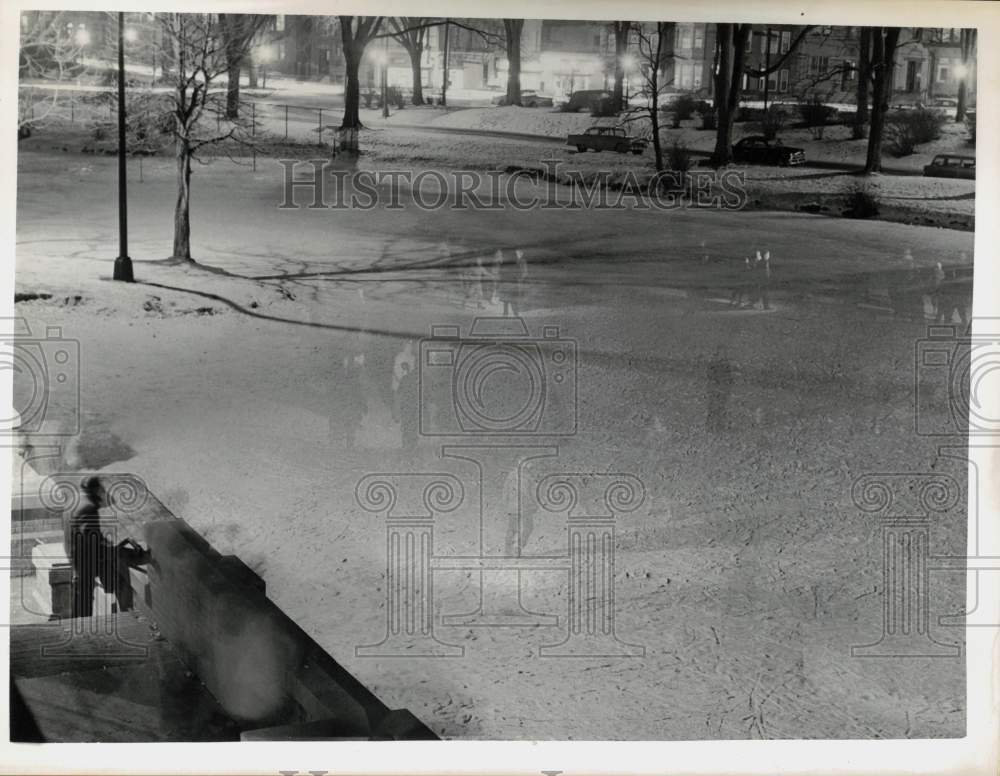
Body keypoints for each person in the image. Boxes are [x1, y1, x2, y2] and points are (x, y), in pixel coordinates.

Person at [64, 477, 148, 618]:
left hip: (77, 556)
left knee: (83, 595)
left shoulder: (77, 500)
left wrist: (115, 542)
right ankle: (126, 615)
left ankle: (82, 621)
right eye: (102, 490)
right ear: (97, 490)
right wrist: (115, 546)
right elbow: (92, 539)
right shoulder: (88, 508)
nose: (104, 493)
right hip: (86, 559)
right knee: (118, 580)